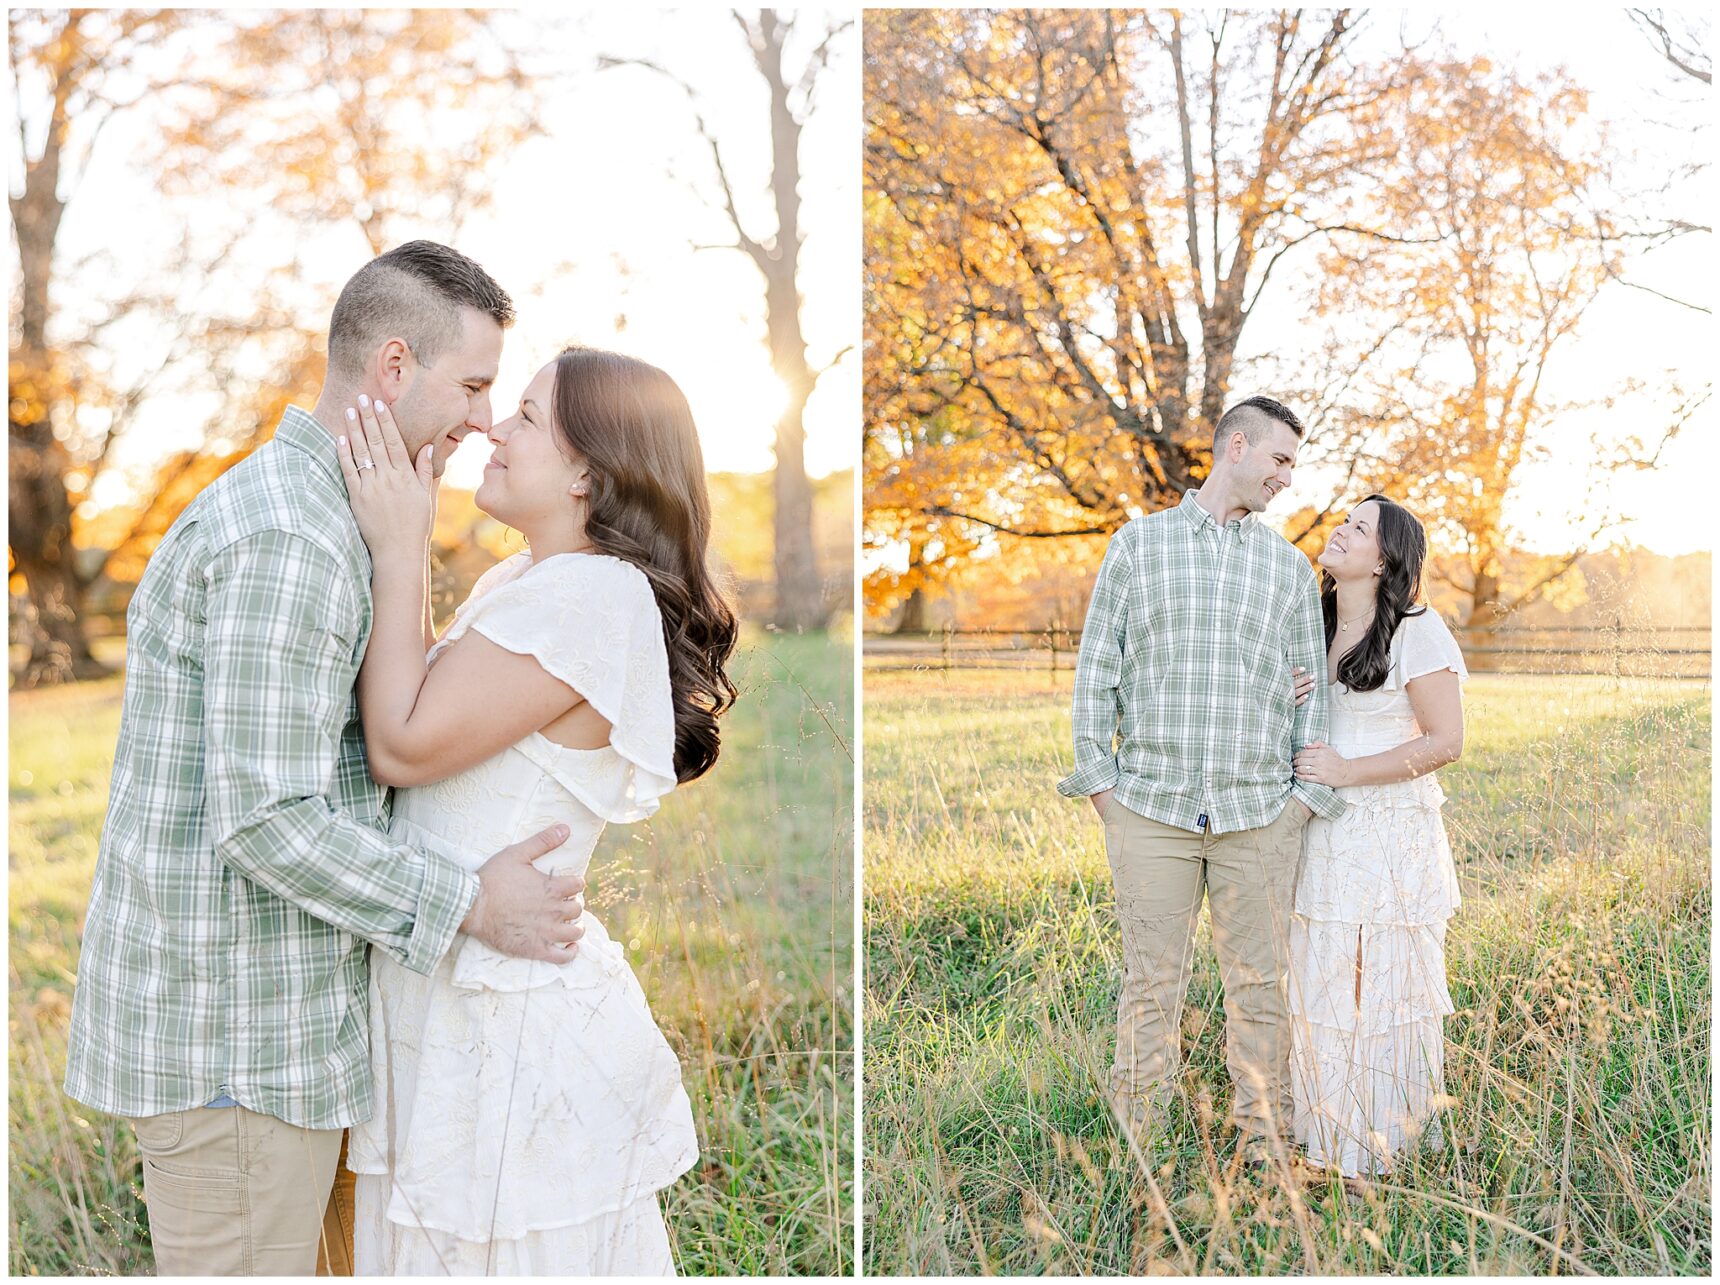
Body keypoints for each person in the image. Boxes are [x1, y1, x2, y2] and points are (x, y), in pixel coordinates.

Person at [63, 241, 590, 1276]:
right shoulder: (291, 540)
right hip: (237, 1056)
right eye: (474, 386)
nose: (484, 420)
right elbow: (267, 818)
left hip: (283, 1045)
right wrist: (469, 902)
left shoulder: (332, 520)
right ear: (394, 368)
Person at [332, 347, 738, 1274]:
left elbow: (400, 741)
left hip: (502, 1023)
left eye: (524, 416)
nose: (492, 431)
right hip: (447, 991)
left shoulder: (591, 597)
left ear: (590, 470)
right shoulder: (523, 583)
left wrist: (401, 542)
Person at [1056, 395, 1346, 1168]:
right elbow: (1096, 676)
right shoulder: (1137, 547)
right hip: (1151, 808)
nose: (1289, 477)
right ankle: (1138, 1153)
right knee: (1152, 987)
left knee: (1259, 987)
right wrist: (1104, 793)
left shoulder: (1286, 568)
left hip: (1258, 814)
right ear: (1239, 446)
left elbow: (1309, 691)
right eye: (1281, 459)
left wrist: (1297, 806)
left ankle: (1264, 1146)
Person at [1288, 494, 1466, 1178]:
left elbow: (1447, 740)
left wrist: (1349, 770)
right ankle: (1328, 1135)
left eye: (1359, 528)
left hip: (1387, 824)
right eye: (1346, 519)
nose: (1341, 529)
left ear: (1384, 558)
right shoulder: (1315, 620)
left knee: (1377, 976)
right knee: (1325, 965)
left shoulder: (1418, 628)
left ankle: (1382, 1141)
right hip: (1324, 826)